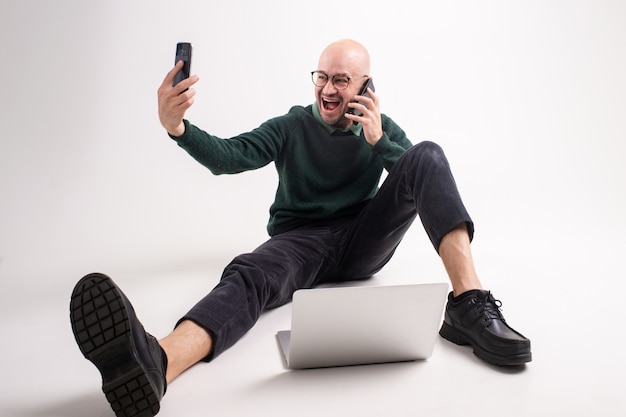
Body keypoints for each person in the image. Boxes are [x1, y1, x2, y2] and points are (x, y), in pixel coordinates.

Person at [69, 39, 531, 417]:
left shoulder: (379, 126)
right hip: (300, 242)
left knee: (426, 155)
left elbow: (416, 179)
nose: (328, 89)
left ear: (367, 86)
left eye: (342, 80)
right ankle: (159, 361)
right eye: (322, 77)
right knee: (251, 273)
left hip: (362, 239)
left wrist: (377, 142)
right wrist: (178, 127)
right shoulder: (291, 125)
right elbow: (231, 156)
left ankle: (468, 305)